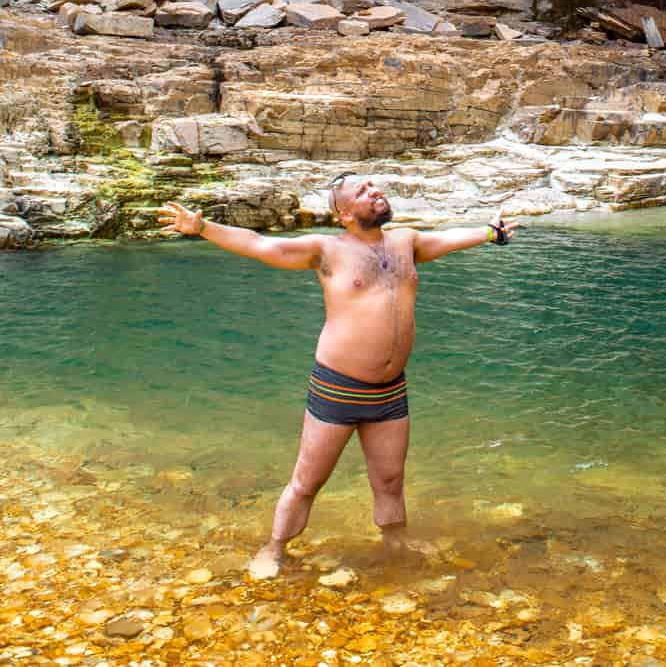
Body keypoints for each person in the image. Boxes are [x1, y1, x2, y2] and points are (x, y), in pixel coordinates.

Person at [156, 175, 518, 578]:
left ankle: (395, 545)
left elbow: (447, 239)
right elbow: (260, 245)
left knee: (390, 480)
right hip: (337, 389)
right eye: (362, 192)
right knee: (307, 482)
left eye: (374, 186)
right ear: (343, 214)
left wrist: (490, 232)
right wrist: (203, 228)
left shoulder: (406, 243)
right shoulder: (327, 250)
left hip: (390, 392)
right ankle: (274, 548)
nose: (375, 192)